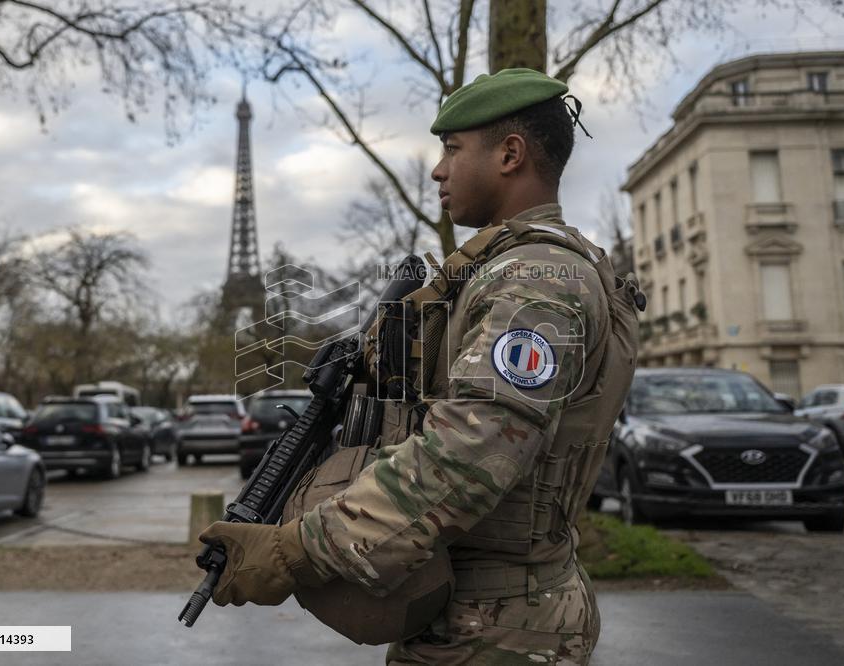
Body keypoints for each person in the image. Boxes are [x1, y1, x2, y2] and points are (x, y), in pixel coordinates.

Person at [198, 68, 643, 665]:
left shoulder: (535, 279)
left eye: (453, 150)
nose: (438, 170)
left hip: (497, 630)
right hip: (479, 614)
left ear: (510, 155)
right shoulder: (509, 272)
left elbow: (469, 452)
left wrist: (292, 552)